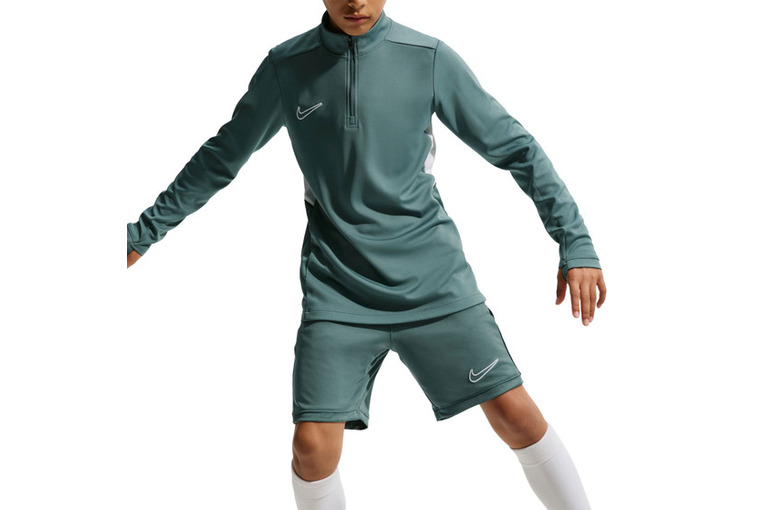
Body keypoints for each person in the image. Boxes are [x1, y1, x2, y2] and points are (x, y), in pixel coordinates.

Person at [126, 1, 607, 508]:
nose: (355, 1)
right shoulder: (287, 67)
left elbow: (517, 148)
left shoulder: (428, 57)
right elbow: (222, 157)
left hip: (434, 282)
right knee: (312, 446)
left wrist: (575, 243)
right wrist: (140, 235)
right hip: (338, 289)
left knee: (516, 415)